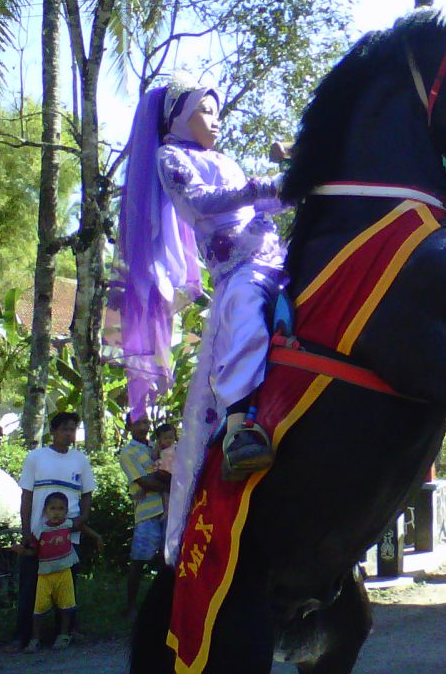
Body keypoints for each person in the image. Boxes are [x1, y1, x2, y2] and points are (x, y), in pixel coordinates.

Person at [108, 76, 288, 565]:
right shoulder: (172, 158)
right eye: (206, 111)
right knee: (248, 311)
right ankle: (237, 427)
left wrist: (294, 189)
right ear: (178, 118)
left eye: (216, 111)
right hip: (238, 268)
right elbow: (201, 204)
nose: (217, 119)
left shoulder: (225, 159)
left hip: (275, 253)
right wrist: (266, 186)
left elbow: (259, 201)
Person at [13, 412, 96, 651]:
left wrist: (83, 518)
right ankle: (24, 635)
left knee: (67, 585)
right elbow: (26, 495)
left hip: (69, 534)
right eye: (65, 429)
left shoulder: (81, 460)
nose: (69, 434)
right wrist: (27, 529)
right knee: (30, 584)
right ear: (53, 431)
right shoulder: (36, 457)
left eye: (73, 429)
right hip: (39, 534)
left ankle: (67, 632)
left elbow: (87, 492)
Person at [19, 492, 104, 652]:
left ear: (66, 511)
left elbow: (83, 527)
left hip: (64, 573)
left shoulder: (67, 525)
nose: (56, 512)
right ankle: (35, 639)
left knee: (66, 606)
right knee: (38, 608)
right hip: (44, 575)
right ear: (46, 511)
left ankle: (64, 635)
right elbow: (33, 551)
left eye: (61, 509)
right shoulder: (39, 530)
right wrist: (22, 551)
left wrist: (97, 537)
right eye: (53, 508)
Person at [120, 416, 171, 617]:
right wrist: (173, 487)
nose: (144, 427)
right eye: (138, 423)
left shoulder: (157, 445)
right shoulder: (128, 452)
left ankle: (164, 605)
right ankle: (131, 606)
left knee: (167, 560)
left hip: (167, 509)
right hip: (147, 511)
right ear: (129, 426)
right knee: (139, 559)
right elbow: (144, 481)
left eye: (146, 422)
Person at [153, 421, 177, 514]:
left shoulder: (176, 448)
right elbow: (154, 457)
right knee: (165, 494)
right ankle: (166, 511)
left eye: (171, 437)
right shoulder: (160, 450)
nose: (169, 440)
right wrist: (157, 446)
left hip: (174, 472)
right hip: (164, 471)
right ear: (159, 439)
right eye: (165, 438)